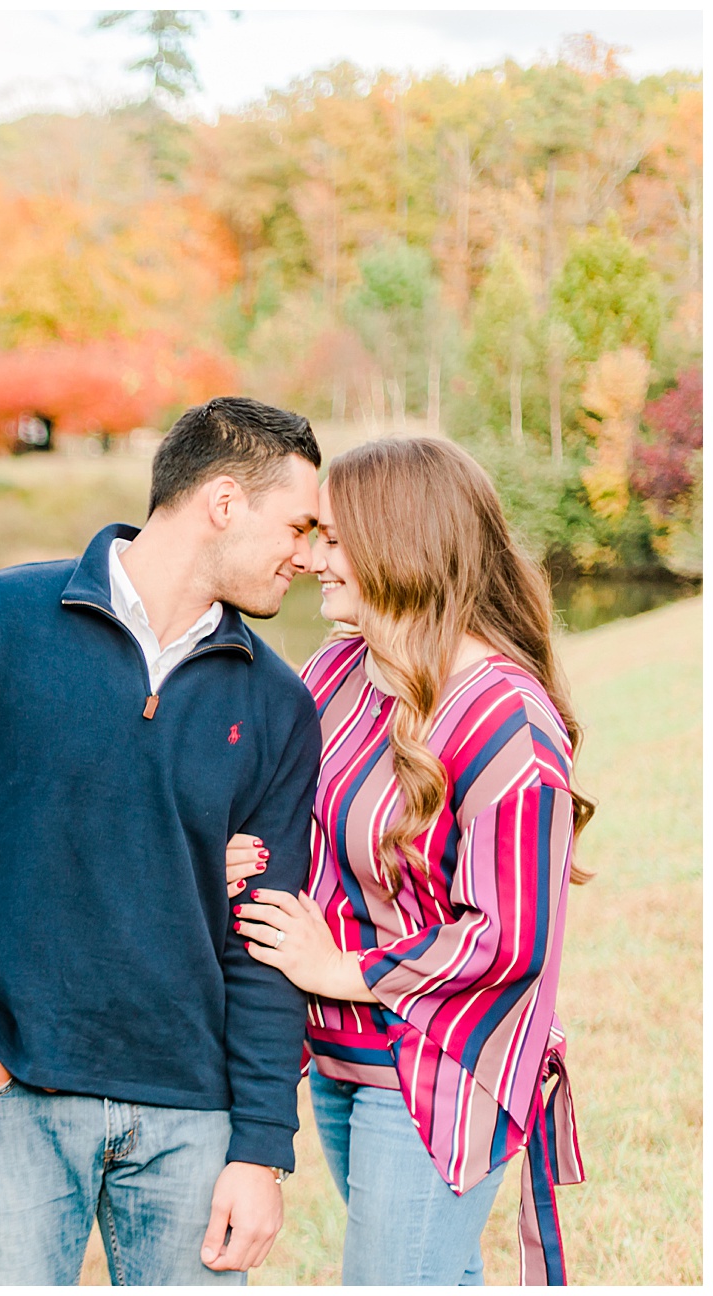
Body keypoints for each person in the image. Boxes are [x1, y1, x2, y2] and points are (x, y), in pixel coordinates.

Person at [0, 397, 324, 1285]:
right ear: (223, 502)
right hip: (15, 1099)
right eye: (298, 525)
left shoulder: (276, 705)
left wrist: (261, 1147)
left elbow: (269, 939)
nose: (307, 554)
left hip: (195, 1123)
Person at [225, 436, 590, 1286]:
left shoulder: (506, 721)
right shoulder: (342, 672)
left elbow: (509, 939)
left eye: (335, 538)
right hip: (342, 1058)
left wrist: (339, 969)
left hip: (437, 1066)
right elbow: (286, 814)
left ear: (400, 542)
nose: (314, 558)